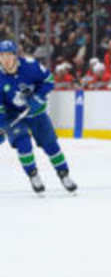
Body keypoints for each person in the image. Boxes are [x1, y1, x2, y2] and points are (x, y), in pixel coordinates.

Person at [0, 40, 77, 195]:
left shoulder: (31, 65)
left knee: (51, 145)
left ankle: (64, 174)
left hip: (36, 112)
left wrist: (38, 97)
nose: (6, 59)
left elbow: (49, 80)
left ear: (15, 55)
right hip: (13, 115)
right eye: (2, 55)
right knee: (24, 144)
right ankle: (33, 175)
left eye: (9, 55)